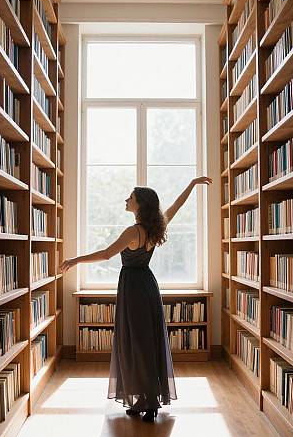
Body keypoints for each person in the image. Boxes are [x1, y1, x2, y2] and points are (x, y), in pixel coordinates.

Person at [60, 176, 212, 422]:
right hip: (147, 286)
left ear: (139, 204)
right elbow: (175, 206)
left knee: (136, 344)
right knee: (145, 343)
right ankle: (145, 400)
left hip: (132, 288)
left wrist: (74, 260)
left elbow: (106, 254)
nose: (126, 200)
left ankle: (148, 400)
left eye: (130, 198)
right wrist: (192, 185)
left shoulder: (133, 231)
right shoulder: (155, 227)